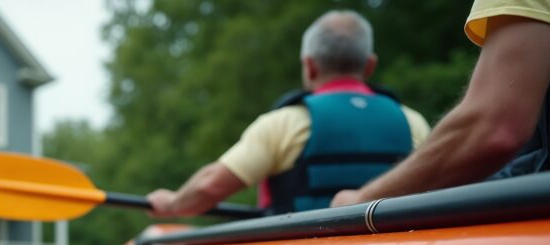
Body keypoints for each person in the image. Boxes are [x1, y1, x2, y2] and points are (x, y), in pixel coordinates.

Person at [330, 0, 550, 208]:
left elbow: (494, 128)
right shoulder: (409, 118)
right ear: (369, 65)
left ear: (310, 67)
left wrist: (360, 201)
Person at [147, 10, 431, 217]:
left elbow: (209, 187)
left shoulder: (285, 123)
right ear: (369, 65)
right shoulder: (412, 122)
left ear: (310, 66)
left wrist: (172, 203)